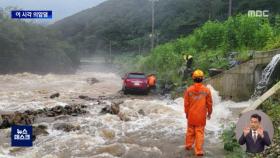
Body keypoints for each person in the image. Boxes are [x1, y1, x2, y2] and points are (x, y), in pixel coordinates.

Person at [184, 69, 213, 156]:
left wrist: (187, 114)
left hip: (191, 115)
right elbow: (209, 104)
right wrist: (209, 113)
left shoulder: (189, 90)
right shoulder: (206, 90)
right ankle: (198, 150)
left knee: (190, 131)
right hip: (201, 116)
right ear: (202, 78)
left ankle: (188, 145)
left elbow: (186, 104)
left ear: (193, 78)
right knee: (199, 132)